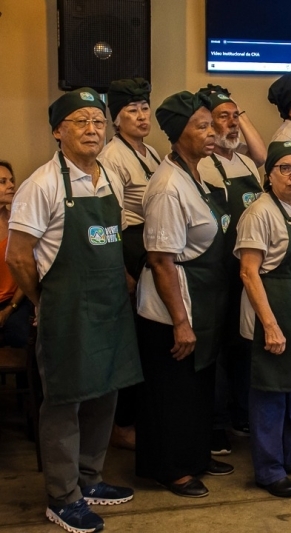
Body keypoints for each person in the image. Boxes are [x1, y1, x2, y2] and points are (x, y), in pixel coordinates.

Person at [6, 87, 141, 533]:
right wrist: (46, 302)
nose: (91, 129)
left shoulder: (111, 177)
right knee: (65, 402)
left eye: (98, 121)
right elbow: (19, 256)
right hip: (67, 309)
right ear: (57, 131)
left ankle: (90, 477)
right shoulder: (41, 184)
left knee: (106, 392)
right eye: (80, 121)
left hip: (109, 308)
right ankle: (62, 497)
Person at [135, 90, 233, 498]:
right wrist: (180, 322)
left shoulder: (197, 174)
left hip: (203, 304)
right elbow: (161, 260)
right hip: (171, 310)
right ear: (178, 134)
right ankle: (170, 467)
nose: (212, 133)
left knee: (197, 389)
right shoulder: (167, 186)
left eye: (212, 125)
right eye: (202, 126)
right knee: (172, 393)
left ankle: (194, 455)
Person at [236, 141, 291, 497]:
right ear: (268, 174)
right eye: (284, 169)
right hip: (269, 317)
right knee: (270, 396)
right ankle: (269, 469)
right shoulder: (259, 212)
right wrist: (270, 324)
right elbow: (248, 272)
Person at [197, 84, 266, 455]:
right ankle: (216, 423)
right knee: (219, 351)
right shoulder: (203, 163)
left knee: (243, 346)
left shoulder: (241, 160)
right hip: (218, 268)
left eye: (236, 116)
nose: (233, 123)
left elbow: (261, 154)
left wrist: (238, 116)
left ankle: (241, 412)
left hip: (248, 266)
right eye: (223, 116)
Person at [98, 77, 161, 452]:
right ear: (116, 120)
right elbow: (111, 219)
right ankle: (121, 425)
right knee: (130, 347)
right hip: (129, 251)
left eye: (143, 108)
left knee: (147, 346)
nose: (140, 116)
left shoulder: (151, 152)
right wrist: (125, 272)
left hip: (151, 247)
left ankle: (138, 418)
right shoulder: (113, 157)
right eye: (131, 111)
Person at [0, 161, 32, 348]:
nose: (11, 185)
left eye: (11, 180)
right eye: (3, 181)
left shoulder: (17, 221)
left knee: (20, 335)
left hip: (16, 301)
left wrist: (9, 309)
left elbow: (27, 269)